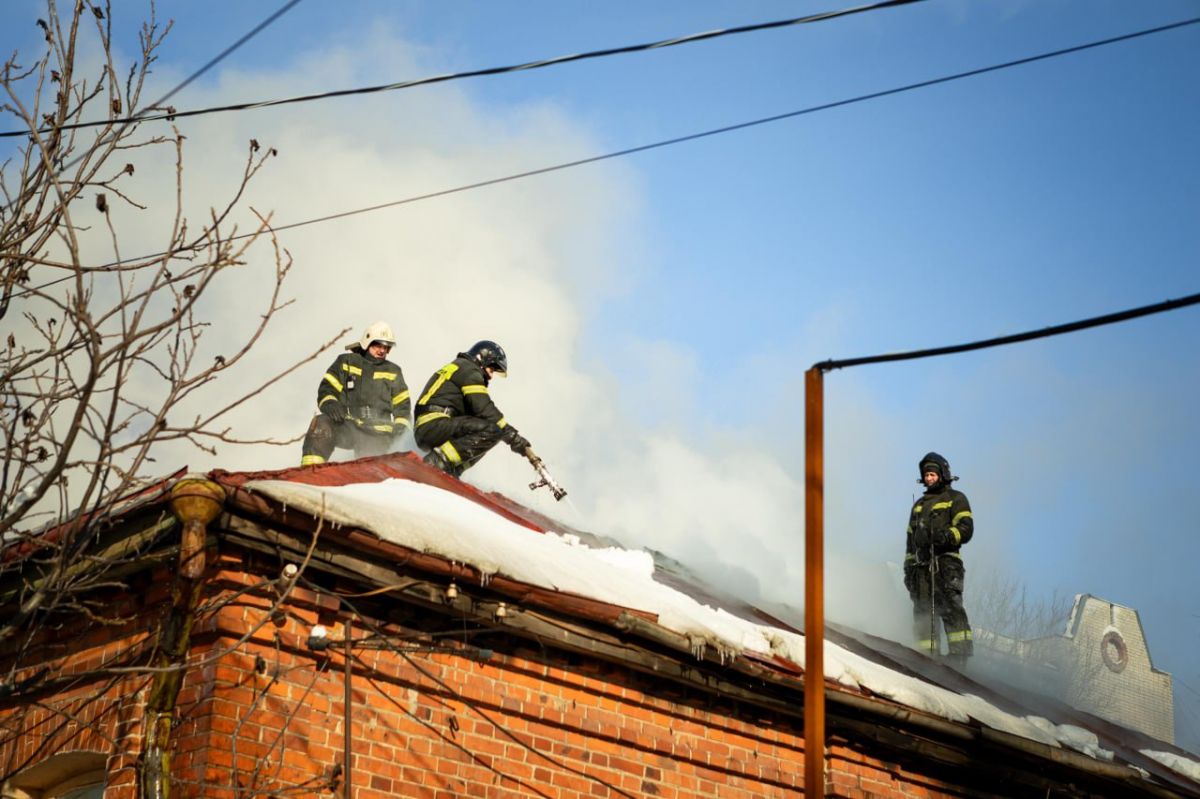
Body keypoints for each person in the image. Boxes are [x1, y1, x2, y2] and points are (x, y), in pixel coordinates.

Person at [300, 321, 411, 466]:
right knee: (321, 423)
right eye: (378, 345)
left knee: (368, 466)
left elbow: (403, 406)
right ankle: (310, 470)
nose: (382, 350)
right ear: (367, 342)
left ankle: (364, 477)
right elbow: (327, 388)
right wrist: (330, 403)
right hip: (348, 425)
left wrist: (400, 431)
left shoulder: (393, 371)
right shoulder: (346, 362)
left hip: (378, 434)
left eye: (386, 347)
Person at [414, 340, 531, 476]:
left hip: (428, 427)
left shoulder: (459, 366)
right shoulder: (470, 370)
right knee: (492, 431)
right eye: (491, 369)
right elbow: (485, 409)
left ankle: (451, 469)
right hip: (434, 424)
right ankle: (439, 462)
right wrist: (514, 438)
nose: (491, 376)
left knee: (486, 433)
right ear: (482, 359)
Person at [903, 451, 974, 664]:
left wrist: (944, 536)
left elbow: (966, 529)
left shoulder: (956, 499)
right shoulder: (918, 506)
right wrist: (908, 570)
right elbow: (910, 542)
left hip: (946, 563)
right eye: (926, 475)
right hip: (921, 568)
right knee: (922, 611)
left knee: (951, 607)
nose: (929, 478)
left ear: (943, 474)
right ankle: (925, 657)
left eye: (932, 474)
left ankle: (959, 658)